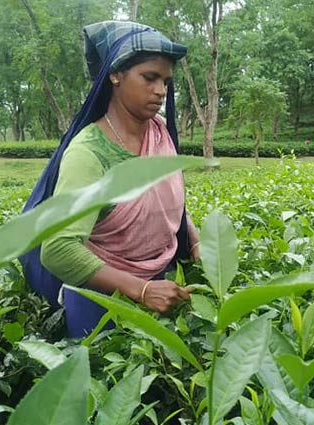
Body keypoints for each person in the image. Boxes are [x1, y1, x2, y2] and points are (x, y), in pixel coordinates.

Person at [19, 21, 200, 338]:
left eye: (166, 81)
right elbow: (58, 249)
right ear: (115, 75)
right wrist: (141, 290)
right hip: (102, 299)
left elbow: (169, 203)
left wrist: (195, 239)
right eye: (149, 77)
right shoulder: (89, 153)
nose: (160, 91)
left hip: (166, 284)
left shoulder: (160, 134)